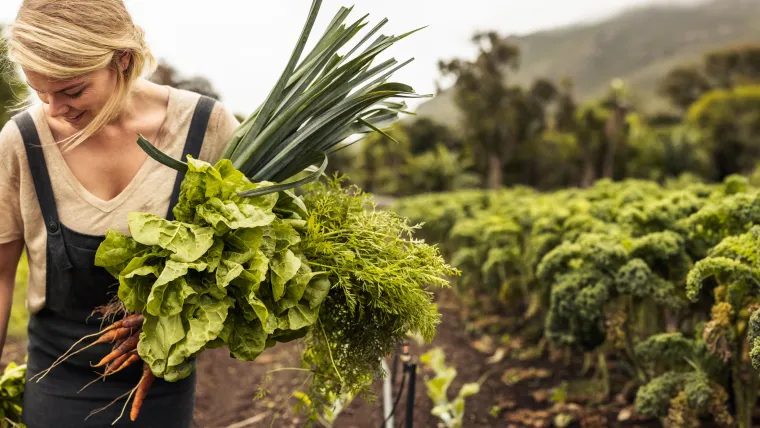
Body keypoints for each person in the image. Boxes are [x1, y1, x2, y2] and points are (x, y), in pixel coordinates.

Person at [0, 1, 240, 426]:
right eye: (41, 91)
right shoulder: (21, 142)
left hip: (160, 386)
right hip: (57, 379)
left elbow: (243, 261)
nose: (54, 110)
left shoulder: (206, 129)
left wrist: (176, 310)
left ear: (122, 60)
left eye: (73, 91)